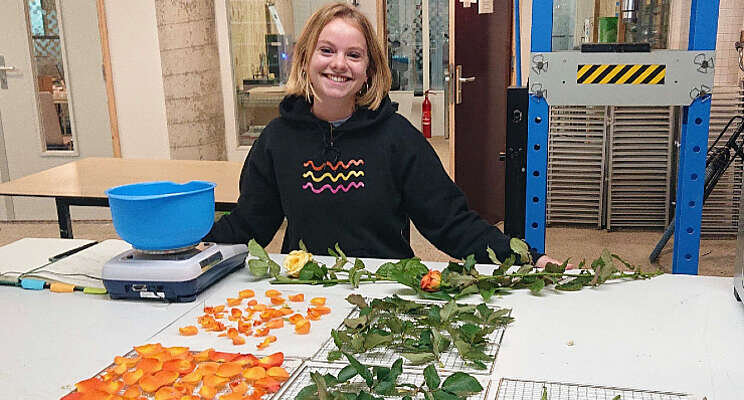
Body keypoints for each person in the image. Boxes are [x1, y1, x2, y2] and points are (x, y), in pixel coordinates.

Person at [205, 2, 563, 268]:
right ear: (305, 60)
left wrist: (525, 258)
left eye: (354, 55)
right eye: (326, 50)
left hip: (385, 293)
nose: (339, 64)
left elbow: (451, 223)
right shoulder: (276, 139)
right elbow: (251, 223)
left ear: (368, 70)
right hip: (308, 292)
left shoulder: (397, 139)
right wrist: (193, 246)